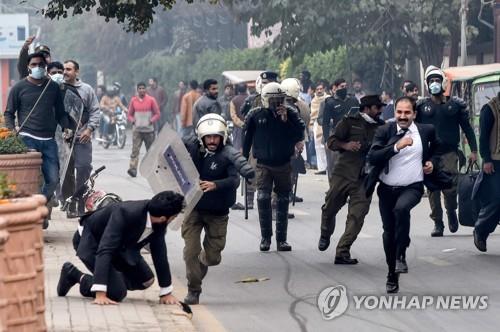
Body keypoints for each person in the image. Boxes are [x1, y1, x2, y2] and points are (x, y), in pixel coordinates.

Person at [366, 96, 440, 293]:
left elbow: (438, 149)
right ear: (395, 113)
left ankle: (401, 255)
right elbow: (373, 156)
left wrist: (432, 163)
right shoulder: (385, 131)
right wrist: (397, 146)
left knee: (401, 209)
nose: (403, 116)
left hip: (412, 187)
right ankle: (392, 273)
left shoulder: (425, 131)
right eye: (399, 112)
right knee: (389, 232)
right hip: (387, 189)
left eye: (407, 113)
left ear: (414, 114)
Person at [56, 191, 185, 304]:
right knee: (116, 293)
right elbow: (105, 248)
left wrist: (166, 292)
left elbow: (159, 253)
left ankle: (112, 282)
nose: (173, 219)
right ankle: (73, 274)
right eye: (174, 217)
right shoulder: (126, 213)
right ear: (164, 218)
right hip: (92, 243)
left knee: (145, 280)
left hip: (120, 247)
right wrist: (101, 292)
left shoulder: (159, 222)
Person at [182, 113, 254, 304]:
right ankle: (194, 290)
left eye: (216, 137)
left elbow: (234, 179)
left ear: (223, 137)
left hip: (218, 214)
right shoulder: (191, 148)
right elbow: (170, 155)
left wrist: (216, 184)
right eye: (208, 137)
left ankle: (201, 263)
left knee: (212, 258)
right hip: (194, 210)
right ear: (201, 137)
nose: (212, 141)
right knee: (190, 252)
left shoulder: (228, 154)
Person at [5, 52, 75, 228]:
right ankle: (29, 215)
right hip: (27, 139)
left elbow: (60, 112)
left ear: (46, 67)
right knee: (31, 180)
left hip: (48, 140)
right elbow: (9, 113)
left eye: (41, 65)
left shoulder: (52, 88)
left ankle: (41, 206)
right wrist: (11, 130)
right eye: (34, 64)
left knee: (52, 179)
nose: (38, 68)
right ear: (28, 66)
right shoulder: (19, 88)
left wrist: (68, 127)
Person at [319, 95, 385, 264]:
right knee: (329, 208)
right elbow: (331, 142)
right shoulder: (348, 122)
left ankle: (342, 251)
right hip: (344, 173)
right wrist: (346, 145)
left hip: (365, 179)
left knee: (357, 216)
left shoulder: (382, 127)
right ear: (367, 108)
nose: (380, 111)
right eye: (377, 108)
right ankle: (325, 233)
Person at [243, 82, 305, 252]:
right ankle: (265, 238)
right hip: (263, 163)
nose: (277, 103)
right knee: (262, 197)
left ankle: (282, 240)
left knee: (283, 199)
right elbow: (247, 137)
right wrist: (242, 161)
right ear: (265, 99)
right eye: (273, 100)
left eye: (280, 99)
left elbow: (299, 133)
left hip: (283, 162)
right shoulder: (255, 114)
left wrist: (286, 121)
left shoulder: (291, 113)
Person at [416, 66, 478, 237]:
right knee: (432, 190)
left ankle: (451, 211)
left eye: (437, 80)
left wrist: (474, 150)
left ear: (443, 83)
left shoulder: (455, 106)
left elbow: (467, 128)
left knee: (450, 188)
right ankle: (438, 222)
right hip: (428, 154)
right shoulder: (421, 108)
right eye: (431, 81)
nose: (434, 84)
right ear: (427, 85)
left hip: (449, 153)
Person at [61, 60, 100, 217]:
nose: (65, 72)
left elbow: (95, 111)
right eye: (64, 69)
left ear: (77, 72)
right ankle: (70, 204)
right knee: (66, 174)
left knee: (83, 169)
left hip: (82, 138)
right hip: (64, 140)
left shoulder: (86, 90)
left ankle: (82, 204)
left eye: (69, 69)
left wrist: (89, 129)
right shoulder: (59, 88)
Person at [473, 80, 500, 252]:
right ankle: (481, 229)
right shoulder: (490, 109)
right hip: (495, 162)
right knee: (497, 199)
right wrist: (486, 159)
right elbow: (483, 138)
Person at [321, 78, 359, 181]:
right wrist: (327, 139)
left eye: (345, 87)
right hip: (337, 136)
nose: (344, 89)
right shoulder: (330, 103)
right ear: (335, 88)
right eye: (342, 87)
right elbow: (325, 123)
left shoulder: (353, 100)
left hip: (352, 136)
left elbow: (360, 116)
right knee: (334, 166)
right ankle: (333, 189)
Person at [127, 82, 161, 177]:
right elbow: (129, 114)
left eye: (143, 88)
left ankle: (153, 169)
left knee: (150, 150)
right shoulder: (133, 100)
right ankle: (133, 169)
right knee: (135, 150)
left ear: (146, 90)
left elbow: (157, 113)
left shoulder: (151, 100)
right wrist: (133, 120)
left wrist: (151, 120)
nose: (141, 90)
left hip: (149, 130)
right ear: (137, 90)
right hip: (137, 130)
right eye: (140, 88)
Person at [310, 82, 330, 175]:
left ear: (324, 89)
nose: (319, 91)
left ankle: (329, 167)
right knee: (318, 146)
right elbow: (312, 114)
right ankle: (321, 168)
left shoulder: (328, 99)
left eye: (320, 89)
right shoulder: (314, 100)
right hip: (316, 125)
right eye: (317, 89)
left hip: (326, 123)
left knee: (326, 146)